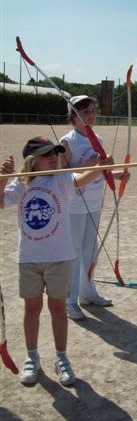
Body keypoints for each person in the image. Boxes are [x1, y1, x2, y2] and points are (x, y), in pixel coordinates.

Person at [0, 136, 114, 385]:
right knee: (32, 309)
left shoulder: (62, 179)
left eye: (55, 153)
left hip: (60, 258)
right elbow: (0, 201)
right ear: (32, 161)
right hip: (29, 258)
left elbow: (83, 178)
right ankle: (32, 357)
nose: (53, 157)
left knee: (58, 309)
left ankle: (61, 357)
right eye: (46, 154)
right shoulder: (21, 183)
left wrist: (99, 168)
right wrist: (4, 179)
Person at [60, 95, 129, 321]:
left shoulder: (97, 138)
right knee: (75, 253)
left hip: (94, 202)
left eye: (92, 111)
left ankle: (87, 293)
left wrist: (116, 173)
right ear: (73, 116)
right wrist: (83, 166)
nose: (91, 115)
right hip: (75, 206)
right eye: (85, 112)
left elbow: (101, 170)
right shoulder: (66, 142)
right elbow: (60, 178)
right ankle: (70, 300)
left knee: (90, 251)